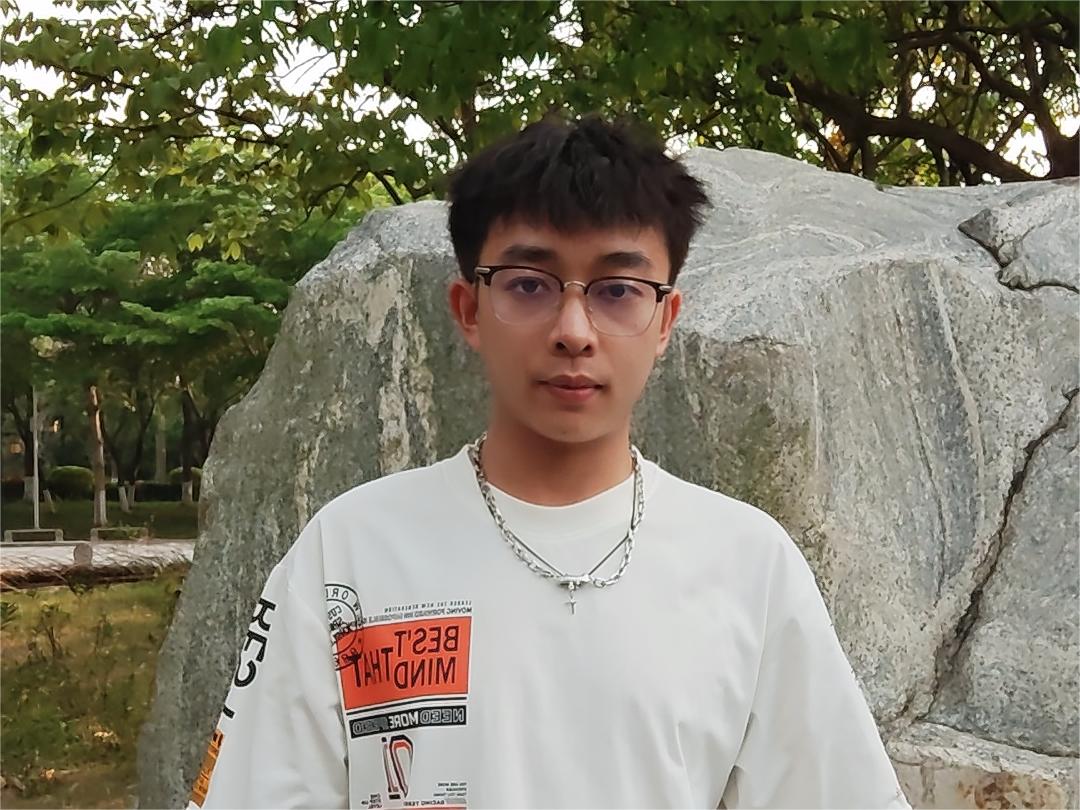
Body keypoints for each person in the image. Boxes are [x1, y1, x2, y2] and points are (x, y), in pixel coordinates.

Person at [188, 113, 911, 809]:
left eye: (618, 291)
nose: (573, 331)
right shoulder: (349, 552)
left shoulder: (748, 565)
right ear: (468, 309)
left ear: (665, 320)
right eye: (529, 285)